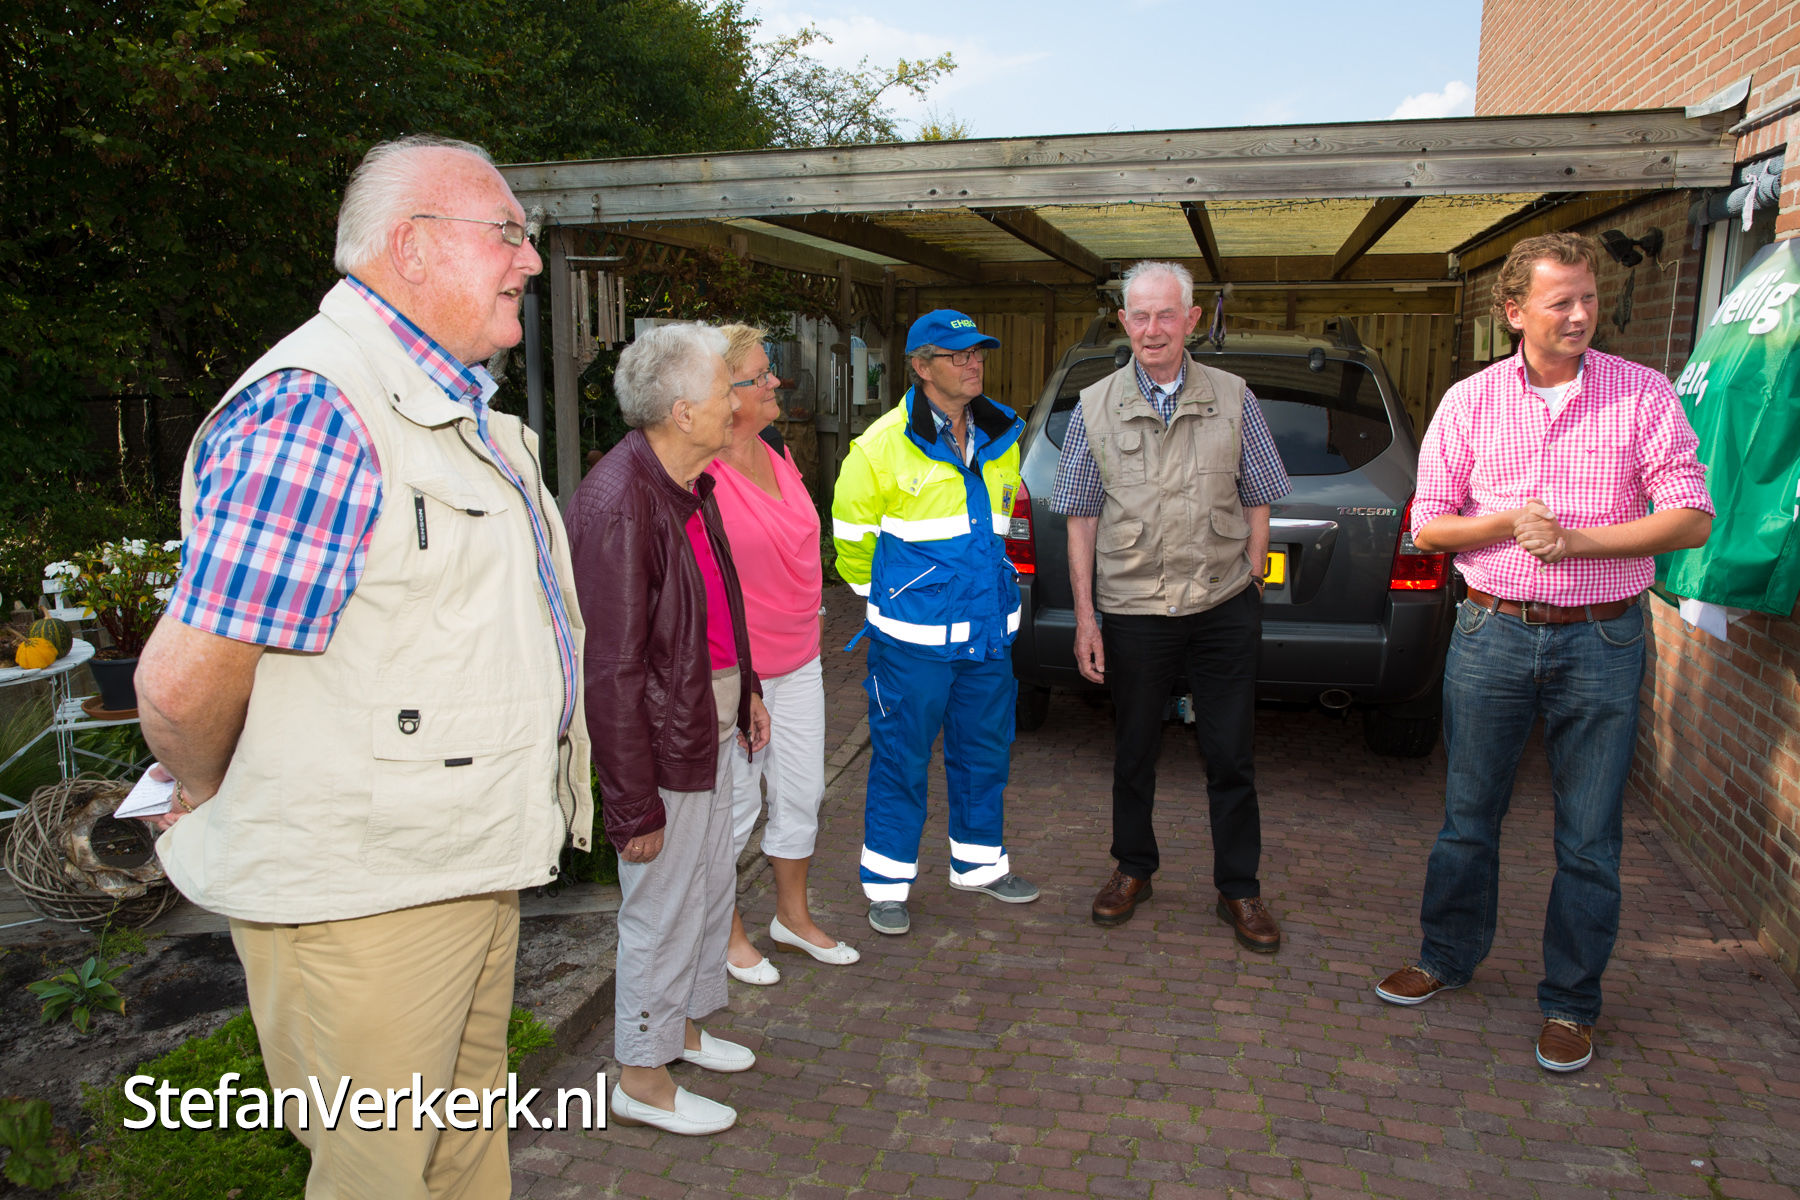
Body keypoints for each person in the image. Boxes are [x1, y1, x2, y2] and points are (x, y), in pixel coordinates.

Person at [134, 134, 590, 1198]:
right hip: (363, 894)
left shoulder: (451, 411)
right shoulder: (322, 407)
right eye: (508, 233)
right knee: (377, 1174)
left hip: (455, 870)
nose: (529, 258)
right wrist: (204, 788)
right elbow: (180, 683)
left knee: (463, 1156)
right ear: (412, 247)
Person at [1374, 232, 1713, 1072]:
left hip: (1604, 634)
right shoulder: (1471, 400)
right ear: (1515, 311)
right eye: (1560, 301)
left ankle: (1570, 1003)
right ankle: (1446, 957)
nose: (1579, 314)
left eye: (1588, 298)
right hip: (1491, 631)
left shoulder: (1643, 393)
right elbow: (1429, 525)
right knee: (1467, 818)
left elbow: (1691, 517)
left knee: (1590, 835)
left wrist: (1577, 541)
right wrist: (1506, 523)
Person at [567, 322, 772, 1135]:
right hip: (663, 743)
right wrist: (631, 804)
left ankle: (680, 1031)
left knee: (708, 888)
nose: (737, 404)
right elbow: (610, 670)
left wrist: (747, 688)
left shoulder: (688, 482)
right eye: (725, 391)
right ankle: (642, 1077)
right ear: (683, 412)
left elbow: (715, 607)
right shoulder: (621, 504)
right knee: (661, 907)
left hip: (705, 718)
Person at [1051, 259, 1291, 947]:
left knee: (1231, 755)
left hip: (1222, 605)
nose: (1152, 329)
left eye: (1165, 315)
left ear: (1191, 320)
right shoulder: (1094, 405)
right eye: (1140, 315)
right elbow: (1080, 518)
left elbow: (1260, 491)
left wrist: (1254, 574)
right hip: (1133, 608)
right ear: (1123, 322)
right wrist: (1087, 618)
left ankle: (1238, 889)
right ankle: (1133, 868)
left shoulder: (1235, 397)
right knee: (1133, 751)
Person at [831, 309, 1038, 937]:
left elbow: (999, 530)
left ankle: (979, 866)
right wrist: (899, 605)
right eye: (957, 355)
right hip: (912, 648)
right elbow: (851, 545)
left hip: (986, 639)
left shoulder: (1000, 434)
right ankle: (887, 886)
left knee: (984, 754)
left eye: (978, 353)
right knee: (901, 761)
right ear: (921, 367)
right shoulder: (879, 447)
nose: (973, 363)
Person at [712, 324, 859, 985]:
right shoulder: (698, 469)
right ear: (723, 391)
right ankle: (724, 932)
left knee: (802, 793)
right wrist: (738, 678)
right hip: (734, 672)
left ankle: (792, 918)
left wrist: (814, 610)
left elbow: (797, 544)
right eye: (760, 375)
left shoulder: (776, 448)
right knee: (734, 807)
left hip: (799, 661)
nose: (776, 381)